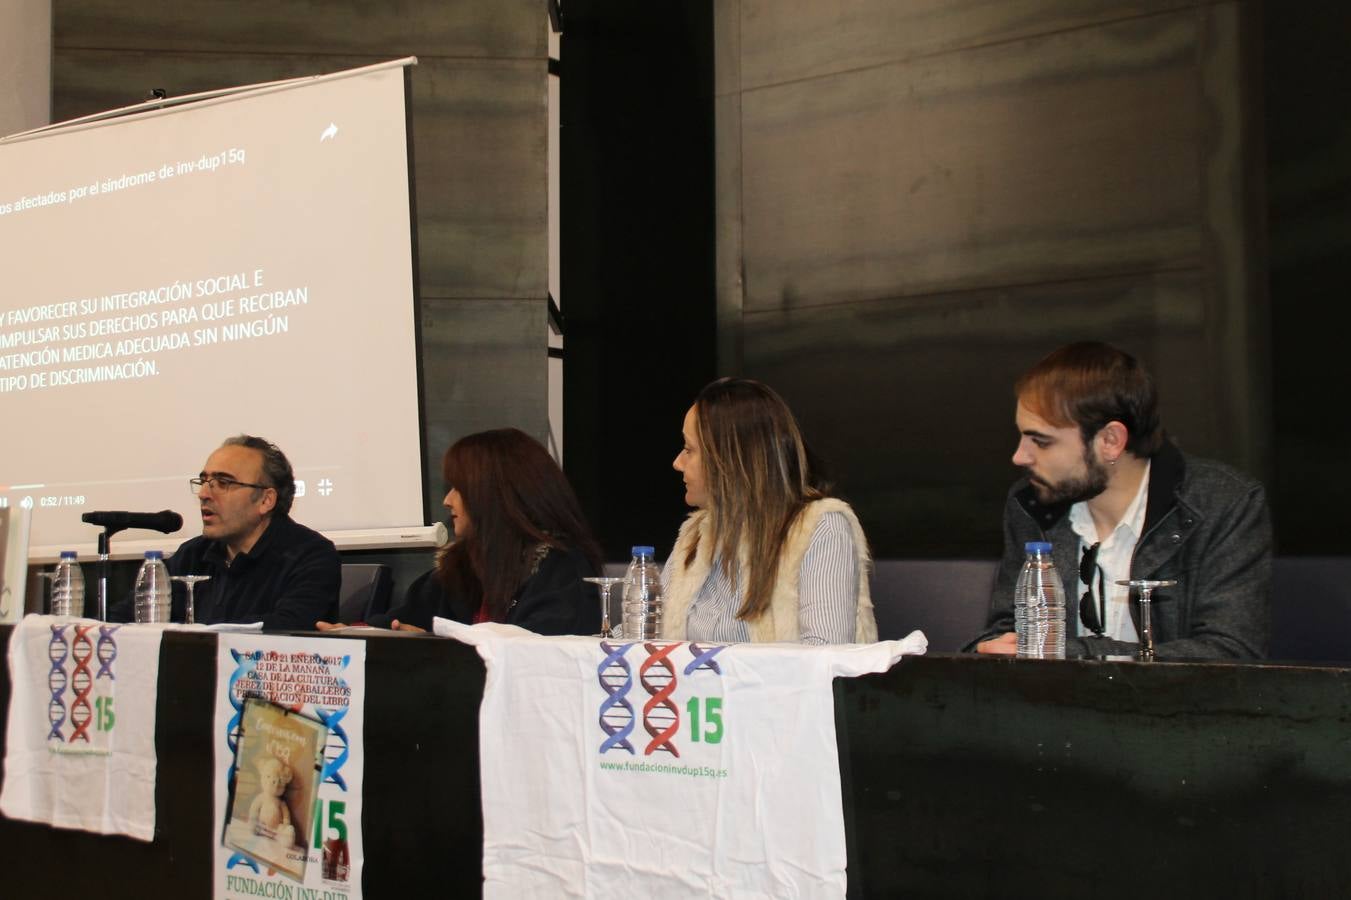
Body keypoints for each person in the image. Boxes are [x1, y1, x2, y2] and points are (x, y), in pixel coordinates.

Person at [969, 342, 1271, 659]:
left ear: (1110, 441)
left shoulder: (1222, 502)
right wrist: (989, 649)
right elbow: (1008, 631)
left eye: (1041, 441)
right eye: (1021, 436)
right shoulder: (1029, 505)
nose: (1019, 456)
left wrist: (1073, 654)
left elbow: (1232, 653)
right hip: (1056, 706)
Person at [661, 377, 877, 645]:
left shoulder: (820, 527)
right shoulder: (695, 534)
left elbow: (826, 654)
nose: (677, 463)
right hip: (696, 688)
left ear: (729, 460)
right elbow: (647, 636)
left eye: (688, 449)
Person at [322, 428, 602, 634]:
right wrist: (351, 634)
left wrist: (438, 648)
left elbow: (535, 660)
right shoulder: (458, 569)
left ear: (494, 495)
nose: (447, 500)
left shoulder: (562, 571)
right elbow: (398, 622)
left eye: (458, 488)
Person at [114, 434, 340, 630]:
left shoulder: (310, 556)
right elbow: (125, 619)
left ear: (266, 500)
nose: (204, 493)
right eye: (204, 481)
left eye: (223, 483)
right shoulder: (193, 553)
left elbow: (287, 629)